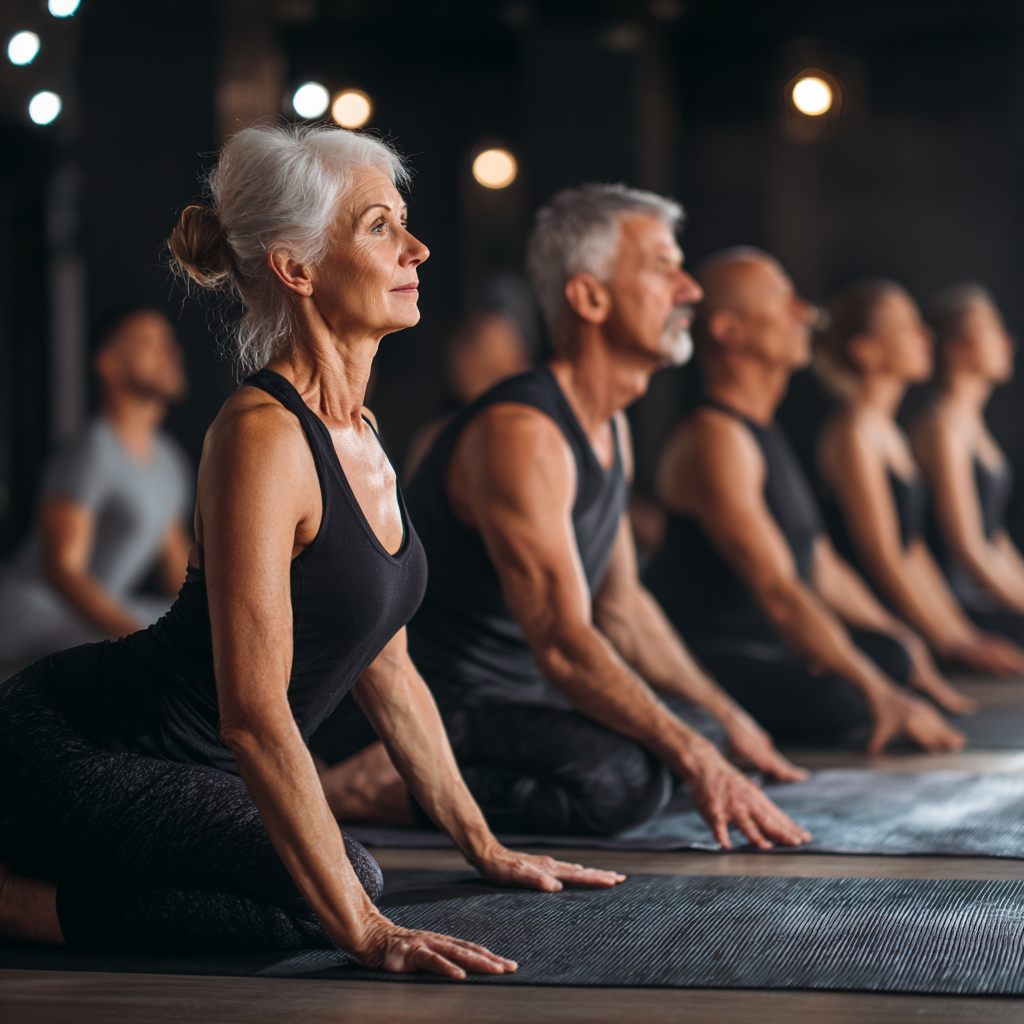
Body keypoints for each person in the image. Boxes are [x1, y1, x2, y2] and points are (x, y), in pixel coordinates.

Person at [0, 123, 623, 977]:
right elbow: (254, 715)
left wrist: (488, 847)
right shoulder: (261, 436)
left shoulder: (363, 434)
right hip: (74, 749)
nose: (417, 246)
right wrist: (368, 931)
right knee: (340, 887)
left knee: (325, 878)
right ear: (297, 268)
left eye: (403, 221)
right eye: (379, 227)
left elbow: (390, 671)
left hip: (199, 776)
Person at [330, 183, 809, 850]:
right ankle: (355, 783)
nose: (690, 290)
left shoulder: (609, 423)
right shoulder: (523, 432)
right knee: (621, 780)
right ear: (589, 297)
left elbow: (623, 610)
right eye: (663, 268)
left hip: (519, 704)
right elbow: (560, 641)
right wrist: (698, 756)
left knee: (702, 736)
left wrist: (727, 720)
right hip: (439, 706)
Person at [645, 249, 970, 754]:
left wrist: (905, 639)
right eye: (781, 298)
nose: (805, 311)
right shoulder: (715, 438)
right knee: (848, 700)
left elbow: (821, 566)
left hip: (772, 639)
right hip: (715, 649)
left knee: (893, 653)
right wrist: (877, 690)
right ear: (729, 331)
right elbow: (777, 588)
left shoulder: (764, 431)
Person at [815, 278, 1024, 676]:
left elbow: (913, 550)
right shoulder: (853, 433)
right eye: (905, 326)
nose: (924, 335)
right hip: (876, 612)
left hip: (917, 606)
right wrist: (954, 640)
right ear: (865, 351)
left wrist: (957, 633)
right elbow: (884, 558)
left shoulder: (888, 431)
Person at [0, 306, 192, 670]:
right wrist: (135, 634)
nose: (171, 352)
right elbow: (61, 572)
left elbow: (178, 577)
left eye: (170, 341)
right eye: (150, 342)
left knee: (205, 625)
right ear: (109, 364)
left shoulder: (169, 461)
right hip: (33, 613)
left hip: (99, 615)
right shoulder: (92, 449)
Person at [911, 284, 1024, 647]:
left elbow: (995, 538)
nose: (1008, 342)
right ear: (956, 350)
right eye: (992, 332)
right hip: (957, 603)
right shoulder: (941, 427)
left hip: (984, 595)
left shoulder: (972, 424)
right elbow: (968, 548)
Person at [404, 309, 531, 480]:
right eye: (493, 373)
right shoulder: (437, 438)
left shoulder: (529, 429)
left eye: (518, 364)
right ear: (465, 365)